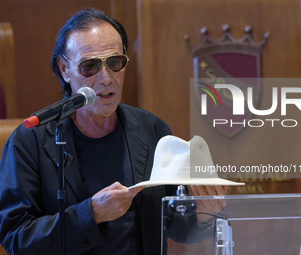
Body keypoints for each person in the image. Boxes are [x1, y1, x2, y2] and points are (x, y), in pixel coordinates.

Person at [0, 8, 227, 255]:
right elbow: (15, 239)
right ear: (65, 69)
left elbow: (175, 227)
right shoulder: (28, 142)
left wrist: (204, 214)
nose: (106, 78)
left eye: (115, 63)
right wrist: (91, 214)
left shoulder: (153, 130)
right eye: (90, 66)